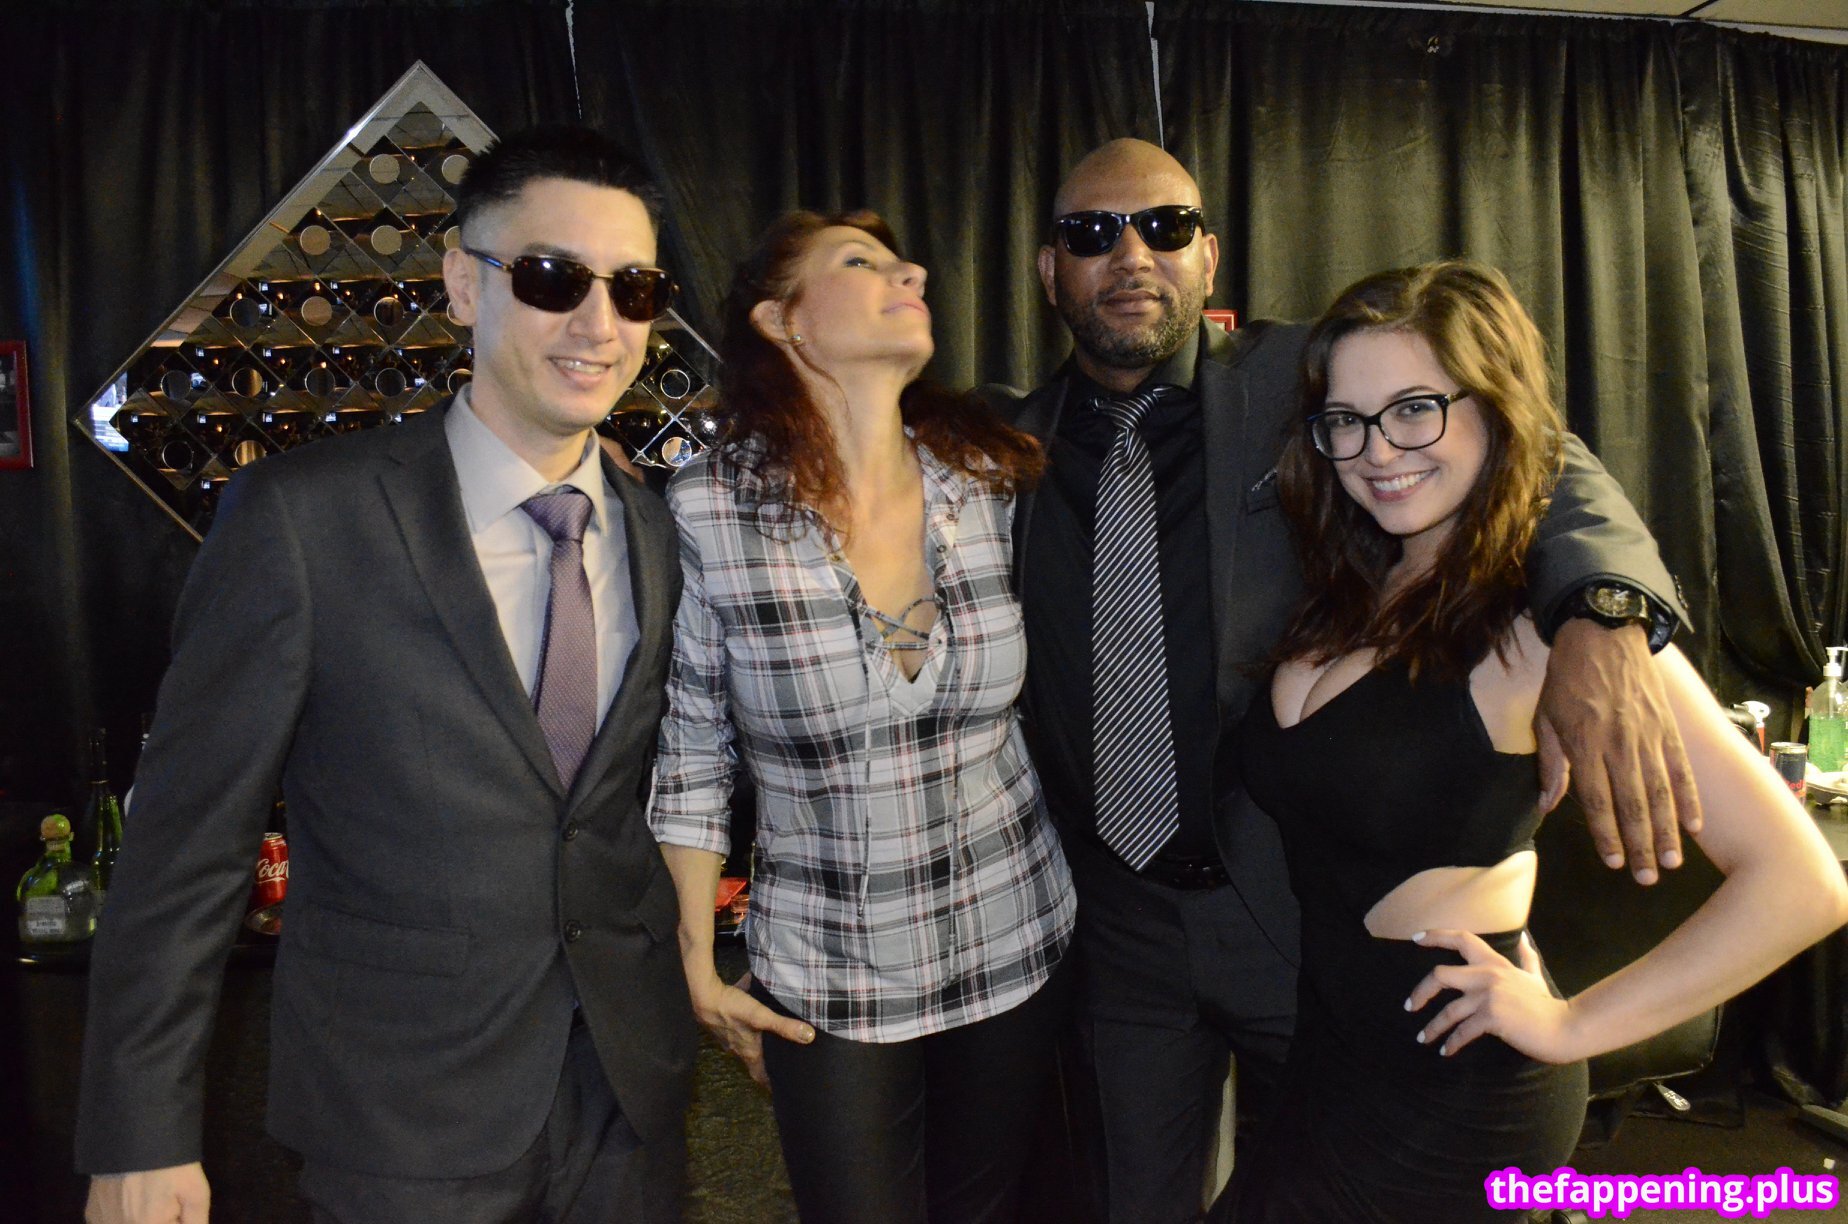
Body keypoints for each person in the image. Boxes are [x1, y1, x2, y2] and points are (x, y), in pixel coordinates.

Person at [995, 138, 1701, 1224]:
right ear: (1051, 271)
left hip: (1305, 911)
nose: (1131, 254)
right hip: (1120, 931)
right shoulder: (1005, 444)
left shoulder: (1301, 379)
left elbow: (1538, 453)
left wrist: (1604, 612)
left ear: (1208, 256)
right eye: (1092, 234)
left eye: (1165, 227)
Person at [76, 126, 695, 1224]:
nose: (600, 325)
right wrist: (140, 1133)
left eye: (633, 288)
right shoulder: (306, 520)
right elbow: (186, 847)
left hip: (623, 1100)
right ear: (463, 283)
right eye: (554, 278)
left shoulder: (653, 531)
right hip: (399, 1112)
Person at [1218, 258, 1848, 1222]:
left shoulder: (1548, 627)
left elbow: (1802, 883)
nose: (1377, 450)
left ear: (1497, 409)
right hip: (1330, 1064)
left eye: (1416, 409)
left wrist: (1572, 1025)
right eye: (1346, 420)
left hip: (1458, 1093)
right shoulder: (1350, 587)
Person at [648, 209, 1075, 1224]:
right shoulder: (710, 508)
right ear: (782, 321)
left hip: (1014, 937)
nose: (912, 272)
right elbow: (693, 751)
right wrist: (694, 960)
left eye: (904, 261)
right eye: (861, 262)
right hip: (831, 972)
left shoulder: (990, 479)